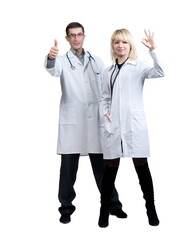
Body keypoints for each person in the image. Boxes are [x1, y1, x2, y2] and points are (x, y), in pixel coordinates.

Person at [44, 22, 127, 224]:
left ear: (84, 36)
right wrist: (51, 57)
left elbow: (105, 90)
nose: (76, 38)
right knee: (67, 170)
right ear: (67, 38)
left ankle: (113, 205)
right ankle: (65, 208)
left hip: (96, 122)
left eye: (79, 34)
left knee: (103, 168)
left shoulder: (96, 61)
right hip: (72, 124)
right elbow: (52, 70)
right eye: (71, 35)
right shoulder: (62, 60)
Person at [98, 28, 165, 228]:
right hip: (113, 126)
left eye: (124, 42)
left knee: (141, 166)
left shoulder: (139, 66)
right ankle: (103, 211)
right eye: (117, 42)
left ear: (130, 46)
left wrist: (154, 50)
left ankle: (151, 210)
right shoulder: (107, 71)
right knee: (110, 168)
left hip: (134, 126)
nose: (120, 45)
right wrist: (105, 112)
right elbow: (104, 97)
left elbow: (160, 72)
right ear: (113, 46)